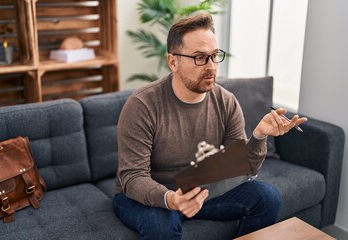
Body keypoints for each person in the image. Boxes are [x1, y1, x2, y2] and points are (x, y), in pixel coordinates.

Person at [113, 12, 307, 239]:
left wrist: (259, 136)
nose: (211, 66)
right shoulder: (142, 105)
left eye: (215, 55)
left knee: (267, 198)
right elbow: (133, 177)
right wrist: (171, 199)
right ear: (173, 61)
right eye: (199, 57)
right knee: (160, 227)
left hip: (202, 189)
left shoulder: (226, 101)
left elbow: (242, 169)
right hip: (153, 195)